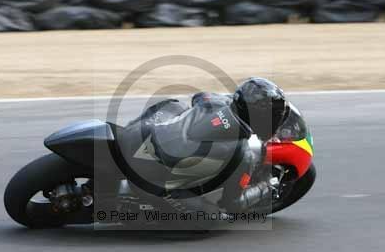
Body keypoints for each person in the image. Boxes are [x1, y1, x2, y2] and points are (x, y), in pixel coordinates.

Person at [117, 77, 289, 211]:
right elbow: (232, 204)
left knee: (175, 106)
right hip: (146, 177)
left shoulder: (212, 102)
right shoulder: (243, 155)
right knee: (212, 216)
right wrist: (264, 187)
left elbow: (199, 96)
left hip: (134, 135)